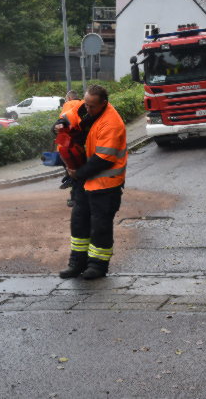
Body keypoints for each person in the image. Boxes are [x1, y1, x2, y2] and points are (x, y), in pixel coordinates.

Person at [55, 84, 127, 279]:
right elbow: (71, 114)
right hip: (85, 180)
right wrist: (60, 123)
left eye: (92, 106)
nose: (87, 109)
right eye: (86, 105)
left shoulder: (112, 123)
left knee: (100, 226)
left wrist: (77, 173)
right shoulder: (85, 108)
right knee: (79, 222)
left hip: (106, 184)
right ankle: (76, 263)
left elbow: (103, 159)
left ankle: (97, 266)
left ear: (103, 103)